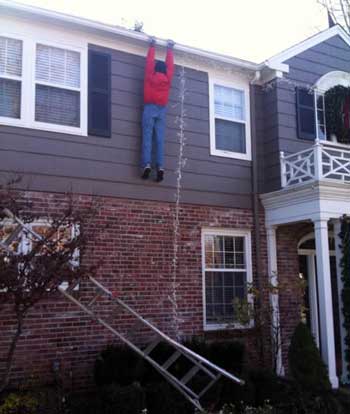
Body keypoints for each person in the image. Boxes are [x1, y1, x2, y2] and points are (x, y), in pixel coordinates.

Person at [141, 37, 175, 182]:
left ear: (155, 69)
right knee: (160, 140)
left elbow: (149, 62)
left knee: (147, 138)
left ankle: (147, 165)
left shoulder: (150, 75)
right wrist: (170, 49)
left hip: (149, 108)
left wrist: (152, 46)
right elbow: (170, 66)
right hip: (162, 110)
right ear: (165, 71)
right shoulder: (168, 78)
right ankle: (160, 167)